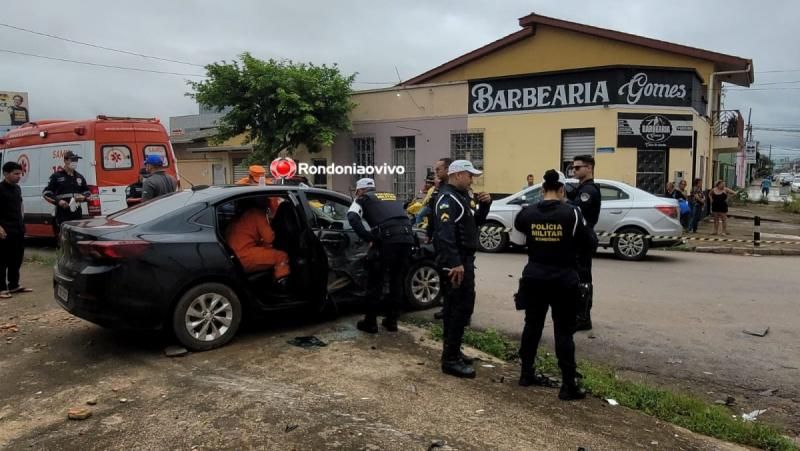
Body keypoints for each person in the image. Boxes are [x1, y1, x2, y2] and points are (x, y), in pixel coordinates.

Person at [514, 169, 595, 400]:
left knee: (532, 327)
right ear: (561, 190)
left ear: (541, 190)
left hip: (534, 277)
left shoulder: (526, 213)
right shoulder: (573, 213)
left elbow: (519, 239)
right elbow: (588, 242)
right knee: (563, 332)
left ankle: (526, 373)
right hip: (563, 280)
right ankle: (568, 385)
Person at [433, 159, 492, 378]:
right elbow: (444, 234)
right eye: (470, 176)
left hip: (462, 260)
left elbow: (474, 224)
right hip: (456, 262)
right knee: (459, 308)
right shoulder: (448, 199)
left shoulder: (461, 198)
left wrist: (485, 205)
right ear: (458, 175)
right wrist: (456, 262)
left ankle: (452, 351)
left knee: (456, 309)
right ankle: (450, 360)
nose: (472, 180)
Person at [346, 178, 415, 333]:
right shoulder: (390, 196)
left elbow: (352, 216)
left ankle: (370, 323)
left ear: (359, 191)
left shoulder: (362, 199)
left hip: (387, 241)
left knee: (375, 281)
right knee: (397, 281)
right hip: (407, 239)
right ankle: (392, 321)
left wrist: (369, 237)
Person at [566, 155, 601, 331]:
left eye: (578, 168)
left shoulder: (589, 190)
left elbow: (576, 209)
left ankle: (583, 318)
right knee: (578, 277)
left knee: (583, 279)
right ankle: (579, 315)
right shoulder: (581, 188)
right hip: (579, 238)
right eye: (573, 168)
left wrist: (564, 201)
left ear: (589, 168)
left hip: (583, 238)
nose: (574, 171)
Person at [226, 198, 290, 284]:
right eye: (265, 200)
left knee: (268, 249)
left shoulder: (238, 216)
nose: (267, 203)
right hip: (244, 256)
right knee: (281, 256)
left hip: (232, 256)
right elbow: (269, 238)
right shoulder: (257, 214)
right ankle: (282, 285)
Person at [1, 162, 32, 299]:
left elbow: (20, 208)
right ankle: (1, 288)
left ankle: (14, 284)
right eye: (16, 174)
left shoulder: (17, 189)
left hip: (18, 229)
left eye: (20, 174)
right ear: (6, 174)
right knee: (2, 260)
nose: (19, 176)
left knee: (16, 259)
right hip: (4, 230)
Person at [42, 151, 91, 236]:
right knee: (63, 238)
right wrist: (58, 201)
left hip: (77, 213)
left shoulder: (79, 177)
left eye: (76, 160)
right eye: (72, 160)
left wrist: (83, 197)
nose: (75, 162)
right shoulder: (56, 176)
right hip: (62, 214)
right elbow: (46, 193)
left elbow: (87, 192)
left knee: (77, 239)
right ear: (65, 160)